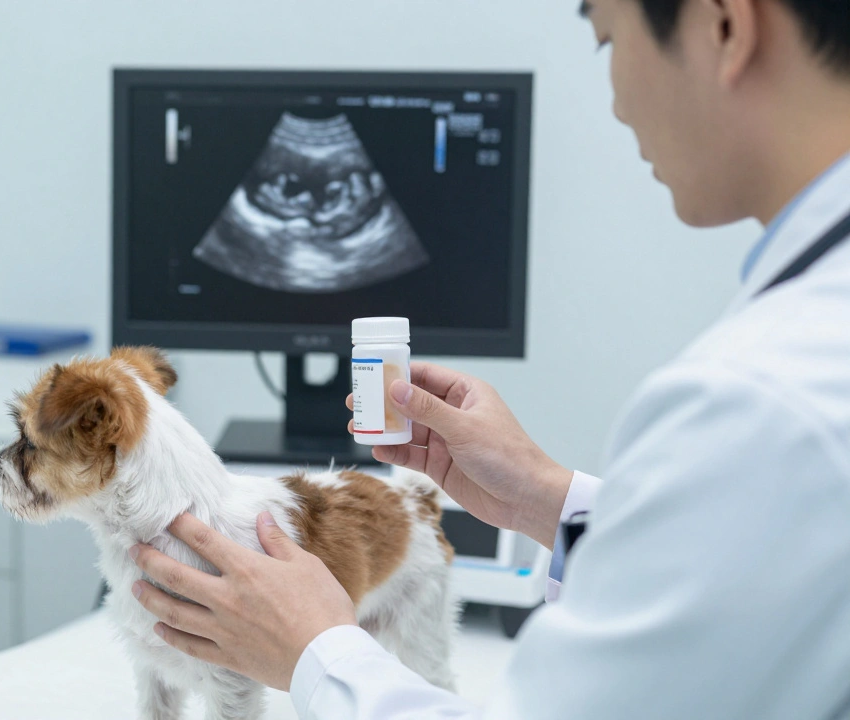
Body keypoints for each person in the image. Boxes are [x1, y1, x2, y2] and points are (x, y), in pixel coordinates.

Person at [127, 0, 850, 717]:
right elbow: (736, 569)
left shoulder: (762, 403)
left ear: (724, 25)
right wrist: (543, 496)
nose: (619, 105)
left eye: (607, 45)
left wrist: (315, 649)